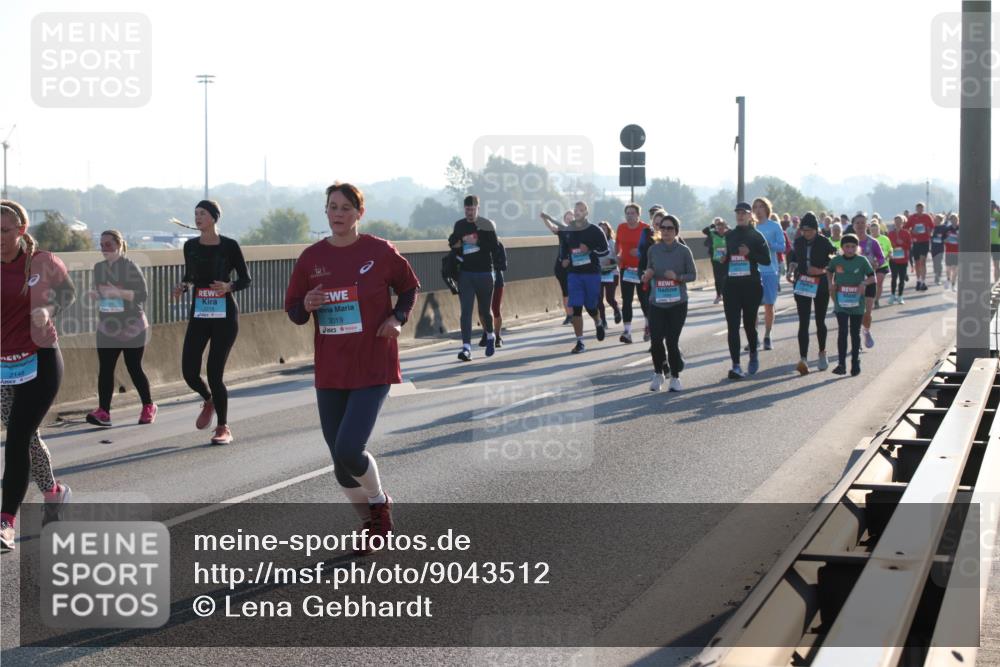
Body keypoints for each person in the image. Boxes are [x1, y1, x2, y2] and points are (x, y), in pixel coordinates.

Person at [285, 182, 419, 549]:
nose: (338, 214)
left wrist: (397, 319)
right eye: (332, 207)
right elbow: (295, 311)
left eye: (346, 208)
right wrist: (308, 304)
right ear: (325, 212)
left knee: (348, 448)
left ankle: (379, 502)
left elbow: (409, 288)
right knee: (339, 461)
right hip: (331, 368)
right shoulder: (311, 258)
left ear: (360, 213)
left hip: (373, 363)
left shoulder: (379, 251)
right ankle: (371, 526)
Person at [1, 200, 76, 551]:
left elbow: (67, 294)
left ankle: (6, 521)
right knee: (27, 438)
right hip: (3, 366)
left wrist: (47, 310)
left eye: (4, 231)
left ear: (21, 231)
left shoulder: (42, 262)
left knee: (16, 438)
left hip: (40, 361)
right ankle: (53, 493)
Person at [171, 200, 251, 445]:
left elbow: (246, 279)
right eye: (195, 214)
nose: (197, 217)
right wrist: (183, 287)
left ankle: (223, 427)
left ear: (214, 218)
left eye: (202, 213)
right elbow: (190, 275)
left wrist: (229, 286)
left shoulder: (229, 245)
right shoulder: (191, 246)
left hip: (225, 315)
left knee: (215, 374)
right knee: (189, 372)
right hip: (200, 314)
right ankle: (209, 399)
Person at [85, 230, 156, 427]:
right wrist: (96, 295)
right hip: (108, 326)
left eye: (108, 244)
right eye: (101, 245)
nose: (104, 248)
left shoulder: (130, 266)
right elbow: (102, 290)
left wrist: (119, 293)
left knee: (134, 368)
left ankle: (148, 406)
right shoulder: (99, 268)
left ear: (118, 245)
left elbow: (142, 295)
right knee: (106, 370)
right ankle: (104, 412)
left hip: (132, 325)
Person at [641, 214, 696, 392]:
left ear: (676, 231)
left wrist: (677, 277)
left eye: (669, 228)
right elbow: (648, 270)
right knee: (656, 341)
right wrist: (646, 275)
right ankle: (658, 373)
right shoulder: (653, 250)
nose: (665, 231)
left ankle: (675, 378)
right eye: (663, 228)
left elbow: (692, 275)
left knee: (671, 342)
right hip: (657, 302)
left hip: (677, 303)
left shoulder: (683, 251)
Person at [721, 202, 771, 379]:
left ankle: (753, 354)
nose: (740, 215)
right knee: (732, 327)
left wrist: (749, 253)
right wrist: (723, 258)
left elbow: (766, 260)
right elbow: (724, 258)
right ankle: (735, 365)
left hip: (751, 286)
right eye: (738, 213)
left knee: (749, 325)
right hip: (732, 286)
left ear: (750, 216)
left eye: (744, 213)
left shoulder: (757, 236)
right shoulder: (729, 235)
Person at [448, 195, 498, 361]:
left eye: (472, 209)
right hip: (466, 273)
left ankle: (490, 336)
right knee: (466, 311)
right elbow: (453, 243)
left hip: (484, 272)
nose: (469, 212)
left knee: (484, 311)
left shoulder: (486, 224)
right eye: (467, 209)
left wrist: (476, 242)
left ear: (478, 207)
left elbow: (494, 246)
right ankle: (466, 347)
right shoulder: (459, 225)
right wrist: (461, 241)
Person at [787, 212, 835, 375]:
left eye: (809, 230)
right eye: (803, 230)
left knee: (820, 321)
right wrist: (791, 269)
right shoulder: (798, 242)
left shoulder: (825, 242)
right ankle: (803, 359)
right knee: (803, 321)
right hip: (803, 283)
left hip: (820, 283)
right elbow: (794, 256)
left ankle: (822, 352)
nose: (806, 233)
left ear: (816, 230)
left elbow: (834, 264)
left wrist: (821, 270)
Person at [559, 202, 609, 354]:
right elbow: (563, 249)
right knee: (576, 308)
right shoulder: (568, 230)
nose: (578, 212)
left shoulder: (595, 230)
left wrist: (590, 250)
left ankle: (598, 322)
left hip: (591, 273)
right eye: (576, 209)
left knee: (591, 306)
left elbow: (605, 251)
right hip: (574, 274)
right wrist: (565, 259)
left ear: (586, 212)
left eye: (581, 210)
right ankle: (580, 342)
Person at [828, 233, 875, 377]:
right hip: (841, 302)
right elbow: (829, 271)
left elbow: (872, 277)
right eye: (847, 246)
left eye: (853, 246)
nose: (850, 249)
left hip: (857, 303)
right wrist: (831, 284)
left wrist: (863, 283)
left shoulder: (862, 261)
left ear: (857, 247)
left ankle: (855, 362)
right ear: (842, 247)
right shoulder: (837, 260)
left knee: (855, 333)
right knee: (842, 331)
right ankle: (841, 364)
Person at [752, 198, 785, 350]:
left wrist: (770, 245)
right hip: (751, 271)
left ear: (767, 209)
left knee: (769, 305)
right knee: (751, 306)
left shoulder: (774, 226)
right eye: (756, 207)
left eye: (761, 207)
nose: (758, 210)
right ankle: (754, 338)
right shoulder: (750, 227)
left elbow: (783, 247)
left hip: (769, 270)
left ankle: (767, 335)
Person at [614, 204, 649, 344]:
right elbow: (617, 244)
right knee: (626, 301)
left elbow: (651, 247)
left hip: (642, 269)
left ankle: (648, 326)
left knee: (643, 300)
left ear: (638, 215)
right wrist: (617, 254)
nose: (629, 215)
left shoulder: (645, 229)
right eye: (627, 213)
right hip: (626, 269)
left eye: (632, 213)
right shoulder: (621, 227)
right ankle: (627, 332)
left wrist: (640, 253)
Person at [851, 213, 884, 349]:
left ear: (867, 225)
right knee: (855, 311)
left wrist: (877, 263)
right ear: (853, 226)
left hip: (870, 280)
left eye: (862, 223)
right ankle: (856, 335)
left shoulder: (872, 242)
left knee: (867, 312)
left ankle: (866, 331)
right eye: (857, 223)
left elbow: (882, 258)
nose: (860, 225)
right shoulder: (848, 242)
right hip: (852, 282)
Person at [540, 211, 575, 324]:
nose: (569, 220)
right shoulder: (562, 231)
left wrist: (549, 216)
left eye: (571, 218)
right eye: (567, 218)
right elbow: (551, 226)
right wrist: (545, 218)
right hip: (561, 265)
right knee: (565, 291)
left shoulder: (578, 231)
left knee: (573, 290)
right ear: (564, 220)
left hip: (574, 265)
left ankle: (575, 313)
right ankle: (569, 315)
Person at [480, 239, 508, 349]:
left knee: (495, 309)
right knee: (482, 310)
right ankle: (486, 332)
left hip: (497, 281)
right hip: (482, 281)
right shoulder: (479, 244)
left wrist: (491, 265)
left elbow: (504, 265)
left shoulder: (498, 244)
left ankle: (497, 336)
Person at [904, 202, 934, 291]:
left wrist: (930, 232)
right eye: (918, 208)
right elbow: (906, 227)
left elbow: (932, 227)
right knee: (917, 263)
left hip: (925, 241)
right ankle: (918, 280)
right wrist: (912, 232)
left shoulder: (927, 217)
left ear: (923, 209)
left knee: (923, 261)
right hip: (916, 242)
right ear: (916, 209)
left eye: (921, 208)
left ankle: (923, 281)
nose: (920, 210)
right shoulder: (912, 217)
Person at [596, 221, 620, 329]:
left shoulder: (612, 243)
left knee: (610, 298)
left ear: (608, 231)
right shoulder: (594, 244)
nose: (602, 231)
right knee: (599, 299)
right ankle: (603, 320)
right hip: (599, 273)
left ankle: (616, 310)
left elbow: (619, 259)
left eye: (604, 229)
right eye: (600, 229)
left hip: (611, 272)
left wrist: (611, 261)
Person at [887, 215, 913, 305]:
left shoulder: (906, 233)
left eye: (900, 221)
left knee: (901, 279)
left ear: (903, 223)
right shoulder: (890, 234)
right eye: (896, 221)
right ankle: (892, 295)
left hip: (903, 260)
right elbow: (888, 247)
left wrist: (902, 244)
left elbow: (910, 246)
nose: (898, 223)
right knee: (894, 277)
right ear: (894, 223)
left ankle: (900, 296)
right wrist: (893, 246)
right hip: (894, 259)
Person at [702, 217, 728, 304]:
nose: (720, 228)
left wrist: (726, 226)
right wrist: (712, 225)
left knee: (725, 277)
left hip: (726, 258)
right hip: (715, 258)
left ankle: (726, 294)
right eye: (718, 226)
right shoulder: (712, 233)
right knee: (717, 277)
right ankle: (718, 295)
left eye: (722, 226)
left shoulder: (728, 233)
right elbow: (704, 230)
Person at [869, 222, 892, 308]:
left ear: (879, 230)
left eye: (876, 230)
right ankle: (870, 299)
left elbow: (890, 249)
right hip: (871, 265)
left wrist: (889, 254)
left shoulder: (885, 239)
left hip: (882, 264)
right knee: (872, 284)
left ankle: (876, 300)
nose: (874, 232)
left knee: (879, 282)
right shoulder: (868, 240)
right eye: (872, 230)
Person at [943, 213, 960, 291]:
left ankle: (953, 285)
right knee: (948, 268)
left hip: (957, 252)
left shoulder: (960, 228)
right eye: (953, 219)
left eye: (956, 219)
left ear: (958, 220)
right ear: (951, 220)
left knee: (955, 269)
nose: (954, 221)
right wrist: (945, 240)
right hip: (949, 251)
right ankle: (948, 279)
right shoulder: (947, 229)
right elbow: (942, 239)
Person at [930, 213, 948, 285]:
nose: (936, 221)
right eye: (935, 220)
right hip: (933, 248)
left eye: (937, 220)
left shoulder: (943, 228)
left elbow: (946, 236)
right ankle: (936, 274)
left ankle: (938, 276)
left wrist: (944, 239)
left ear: (941, 220)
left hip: (940, 248)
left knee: (939, 262)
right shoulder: (933, 228)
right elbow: (930, 236)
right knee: (935, 263)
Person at [991, 200, 1000, 282]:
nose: (991, 207)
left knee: (996, 264)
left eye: (993, 206)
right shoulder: (984, 214)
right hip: (985, 243)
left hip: (996, 243)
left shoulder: (998, 215)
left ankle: (996, 282)